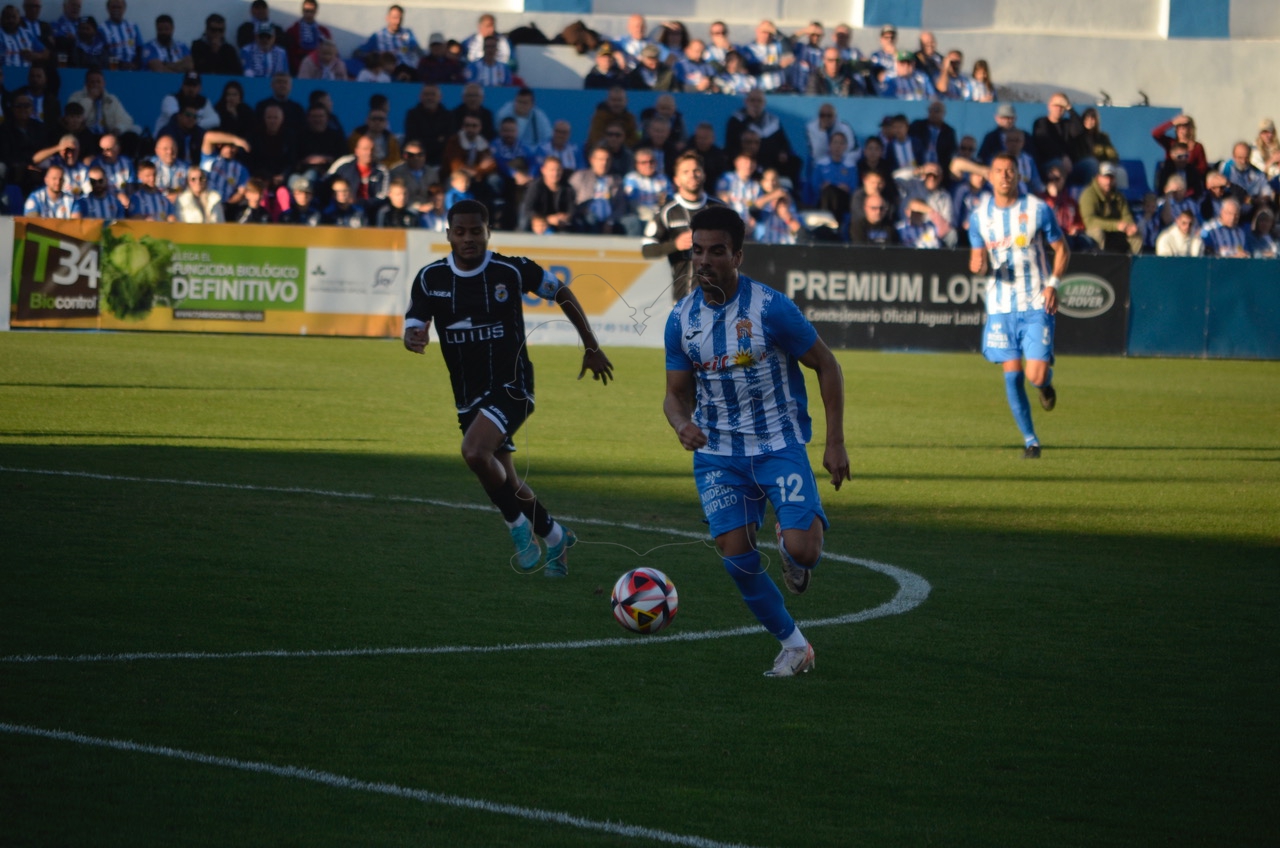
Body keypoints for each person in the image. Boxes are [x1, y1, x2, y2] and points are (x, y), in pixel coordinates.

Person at [662, 204, 848, 677]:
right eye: (697, 250)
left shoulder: (771, 308)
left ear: (738, 256)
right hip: (718, 455)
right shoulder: (681, 319)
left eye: (716, 251)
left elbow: (827, 364)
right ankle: (795, 646)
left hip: (777, 444)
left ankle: (789, 546)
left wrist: (835, 442)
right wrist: (681, 424)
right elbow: (674, 395)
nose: (704, 260)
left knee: (805, 551)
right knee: (737, 559)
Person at [403, 198, 612, 577]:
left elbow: (562, 292)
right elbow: (415, 321)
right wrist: (412, 336)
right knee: (507, 480)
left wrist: (591, 345)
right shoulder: (431, 278)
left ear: (488, 232)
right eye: (460, 232)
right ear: (448, 234)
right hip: (467, 394)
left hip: (513, 385)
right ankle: (556, 537)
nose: (468, 238)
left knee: (474, 452)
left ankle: (517, 526)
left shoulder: (511, 270)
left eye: (476, 231)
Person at [968, 151, 1069, 459]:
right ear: (990, 177)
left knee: (1035, 375)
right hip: (1000, 308)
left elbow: (1062, 249)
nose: (1004, 175)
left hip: (1036, 301)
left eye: (1010, 170)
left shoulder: (1038, 209)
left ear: (1018, 175)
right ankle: (1031, 441)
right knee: (1012, 375)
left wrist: (1053, 284)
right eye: (998, 170)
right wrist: (978, 265)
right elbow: (976, 261)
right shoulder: (979, 217)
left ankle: (1045, 385)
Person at [642, 150, 724, 299]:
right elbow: (647, 250)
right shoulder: (667, 211)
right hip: (682, 298)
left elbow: (737, 249)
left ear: (704, 175)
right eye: (685, 172)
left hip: (717, 300)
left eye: (696, 170)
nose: (692, 175)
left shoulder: (720, 209)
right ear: (677, 180)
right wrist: (675, 245)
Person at [1078, 161, 1140, 254]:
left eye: (1111, 177)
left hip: (1114, 233)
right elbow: (1089, 222)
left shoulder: (1119, 196)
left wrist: (1130, 226)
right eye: (1105, 177)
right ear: (1098, 177)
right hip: (1091, 233)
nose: (1108, 181)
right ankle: (1098, 261)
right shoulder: (1088, 194)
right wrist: (1116, 225)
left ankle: (1134, 262)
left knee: (1136, 236)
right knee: (1097, 233)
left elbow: (1126, 215)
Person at [355, 4, 420, 72]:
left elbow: (418, 51)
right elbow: (358, 53)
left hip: (408, 70)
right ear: (387, 18)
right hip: (387, 72)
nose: (398, 22)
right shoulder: (378, 36)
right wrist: (375, 57)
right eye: (395, 18)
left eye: (400, 18)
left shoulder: (407, 33)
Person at [1152, 114, 1208, 183]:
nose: (1182, 129)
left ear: (1191, 128)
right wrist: (1172, 122)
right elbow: (1155, 133)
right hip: (1171, 180)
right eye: (1179, 126)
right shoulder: (1171, 143)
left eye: (1185, 126)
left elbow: (1203, 168)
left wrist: (1190, 173)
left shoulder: (1197, 147)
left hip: (1190, 181)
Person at [283, 0, 331, 73]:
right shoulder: (292, 30)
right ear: (302, 11)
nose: (309, 14)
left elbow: (331, 50)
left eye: (312, 11)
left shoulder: (323, 31)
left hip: (320, 67)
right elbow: (290, 53)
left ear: (316, 12)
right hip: (298, 66)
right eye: (307, 11)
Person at [100, 0, 141, 70]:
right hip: (112, 68)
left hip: (133, 69)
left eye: (119, 7)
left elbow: (140, 49)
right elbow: (103, 52)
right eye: (114, 7)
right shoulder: (102, 28)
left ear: (124, 9)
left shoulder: (133, 26)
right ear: (108, 9)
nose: (116, 10)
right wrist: (120, 64)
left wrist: (135, 64)